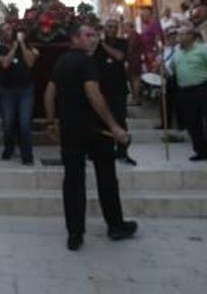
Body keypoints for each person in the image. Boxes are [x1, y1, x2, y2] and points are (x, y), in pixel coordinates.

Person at [43, 23, 137, 252]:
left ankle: (74, 234)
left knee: (73, 181)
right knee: (106, 177)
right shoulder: (87, 62)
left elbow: (49, 92)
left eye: (95, 35)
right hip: (95, 130)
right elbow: (93, 94)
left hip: (70, 129)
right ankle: (115, 225)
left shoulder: (61, 63)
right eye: (88, 35)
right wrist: (114, 126)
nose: (93, 39)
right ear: (74, 39)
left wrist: (51, 122)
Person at [169, 24, 207, 164]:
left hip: (204, 88)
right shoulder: (177, 51)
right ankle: (200, 151)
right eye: (179, 35)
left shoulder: (204, 49)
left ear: (191, 36)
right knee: (192, 123)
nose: (179, 37)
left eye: (183, 34)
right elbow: (172, 68)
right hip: (185, 90)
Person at [0, 22, 38, 165]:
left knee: (24, 123)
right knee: (8, 123)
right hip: (7, 91)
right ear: (0, 34)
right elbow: (5, 64)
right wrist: (15, 48)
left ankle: (27, 155)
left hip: (25, 90)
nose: (8, 32)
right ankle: (9, 148)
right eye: (4, 30)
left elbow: (30, 63)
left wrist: (22, 45)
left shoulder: (25, 46)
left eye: (9, 29)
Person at [94, 18, 136, 165]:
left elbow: (119, 56)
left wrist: (103, 44)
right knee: (100, 120)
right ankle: (103, 151)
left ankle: (122, 151)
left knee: (120, 119)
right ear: (104, 29)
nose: (111, 29)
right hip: (101, 89)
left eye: (114, 27)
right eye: (109, 27)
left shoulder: (122, 43)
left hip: (118, 88)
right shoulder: (96, 44)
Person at [123, 22, 143, 105]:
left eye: (126, 27)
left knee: (135, 79)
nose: (124, 29)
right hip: (132, 60)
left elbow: (130, 48)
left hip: (134, 60)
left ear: (130, 27)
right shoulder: (131, 35)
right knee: (131, 79)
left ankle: (136, 99)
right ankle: (134, 98)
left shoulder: (134, 35)